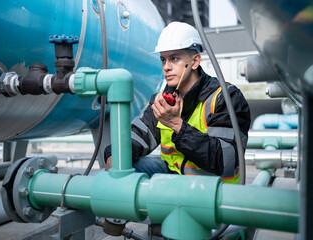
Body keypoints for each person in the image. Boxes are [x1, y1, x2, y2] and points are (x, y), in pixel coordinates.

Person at [104, 21, 251, 184]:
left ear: (195, 61)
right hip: (175, 179)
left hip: (214, 192)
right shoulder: (163, 99)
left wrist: (177, 125)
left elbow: (225, 160)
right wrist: (115, 154)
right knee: (123, 167)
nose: (166, 67)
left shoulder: (225, 98)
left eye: (174, 58)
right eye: (163, 60)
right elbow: (139, 134)